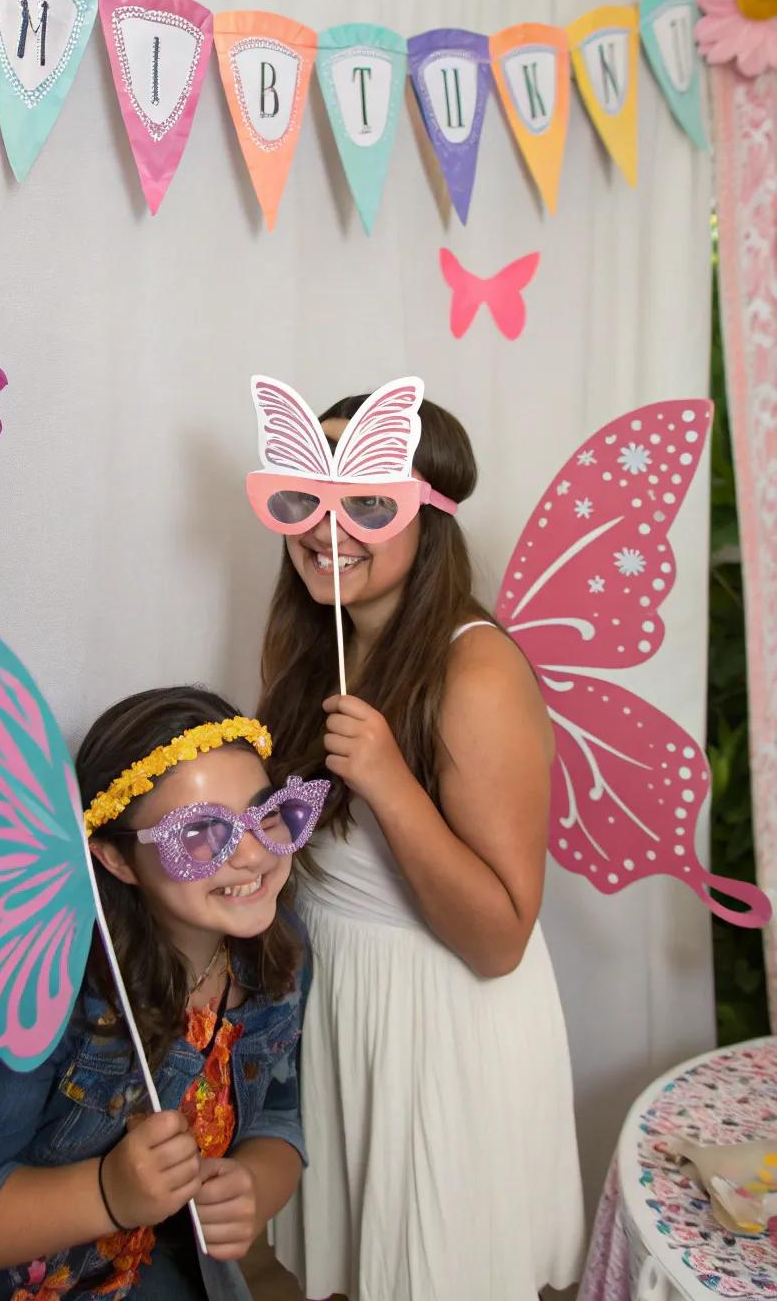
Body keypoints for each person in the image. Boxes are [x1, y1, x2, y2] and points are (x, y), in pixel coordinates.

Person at [0, 687, 326, 1301]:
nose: (253, 855)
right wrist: (108, 1194)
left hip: (132, 1274)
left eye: (265, 813)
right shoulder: (26, 982)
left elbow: (277, 1110)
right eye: (200, 834)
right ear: (114, 860)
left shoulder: (275, 946)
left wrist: (252, 1184)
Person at [262, 393, 585, 1301]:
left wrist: (390, 783)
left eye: (367, 500)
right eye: (307, 495)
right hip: (347, 1015)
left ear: (428, 515)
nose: (329, 526)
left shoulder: (473, 670)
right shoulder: (314, 653)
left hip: (442, 1029)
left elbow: (499, 939)